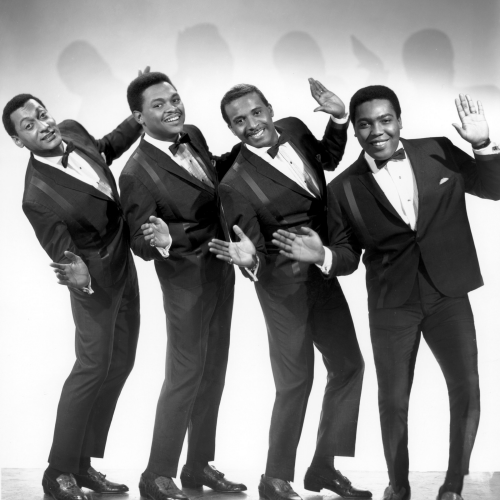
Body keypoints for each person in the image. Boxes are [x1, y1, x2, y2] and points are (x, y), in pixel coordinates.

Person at [272, 87, 500, 500]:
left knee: (466, 387)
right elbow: (347, 256)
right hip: (392, 304)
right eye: (365, 124)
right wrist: (322, 255)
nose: (376, 131)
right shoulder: (343, 188)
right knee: (393, 400)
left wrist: (483, 144)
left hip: (449, 293)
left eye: (385, 120)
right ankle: (398, 484)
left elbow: (494, 188)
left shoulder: (438, 150)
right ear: (355, 131)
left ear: (399, 120)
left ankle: (453, 485)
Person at [209, 80, 371, 500]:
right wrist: (250, 262)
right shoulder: (234, 184)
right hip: (282, 288)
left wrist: (339, 119)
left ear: (269, 108)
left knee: (349, 366)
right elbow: (252, 251)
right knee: (296, 380)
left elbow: (328, 158)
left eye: (256, 112)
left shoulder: (296, 128)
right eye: (239, 121)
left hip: (323, 270)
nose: (251, 124)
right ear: (231, 129)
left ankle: (323, 467)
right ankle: (275, 478)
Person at [2, 91, 143, 500]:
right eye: (29, 125)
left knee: (120, 364)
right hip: (92, 283)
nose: (43, 125)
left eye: (42, 115)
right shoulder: (36, 197)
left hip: (124, 267)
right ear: (19, 141)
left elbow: (105, 148)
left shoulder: (72, 131)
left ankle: (82, 465)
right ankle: (59, 470)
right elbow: (63, 253)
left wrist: (135, 119)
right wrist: (78, 275)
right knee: (91, 369)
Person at [119, 71, 244, 500]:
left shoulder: (193, 134)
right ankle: (156, 473)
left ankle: (198, 465)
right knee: (185, 375)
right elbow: (139, 242)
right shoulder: (135, 173)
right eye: (158, 104)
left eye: (174, 98)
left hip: (221, 270)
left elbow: (211, 185)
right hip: (185, 284)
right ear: (139, 117)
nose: (172, 108)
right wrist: (165, 239)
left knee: (214, 372)